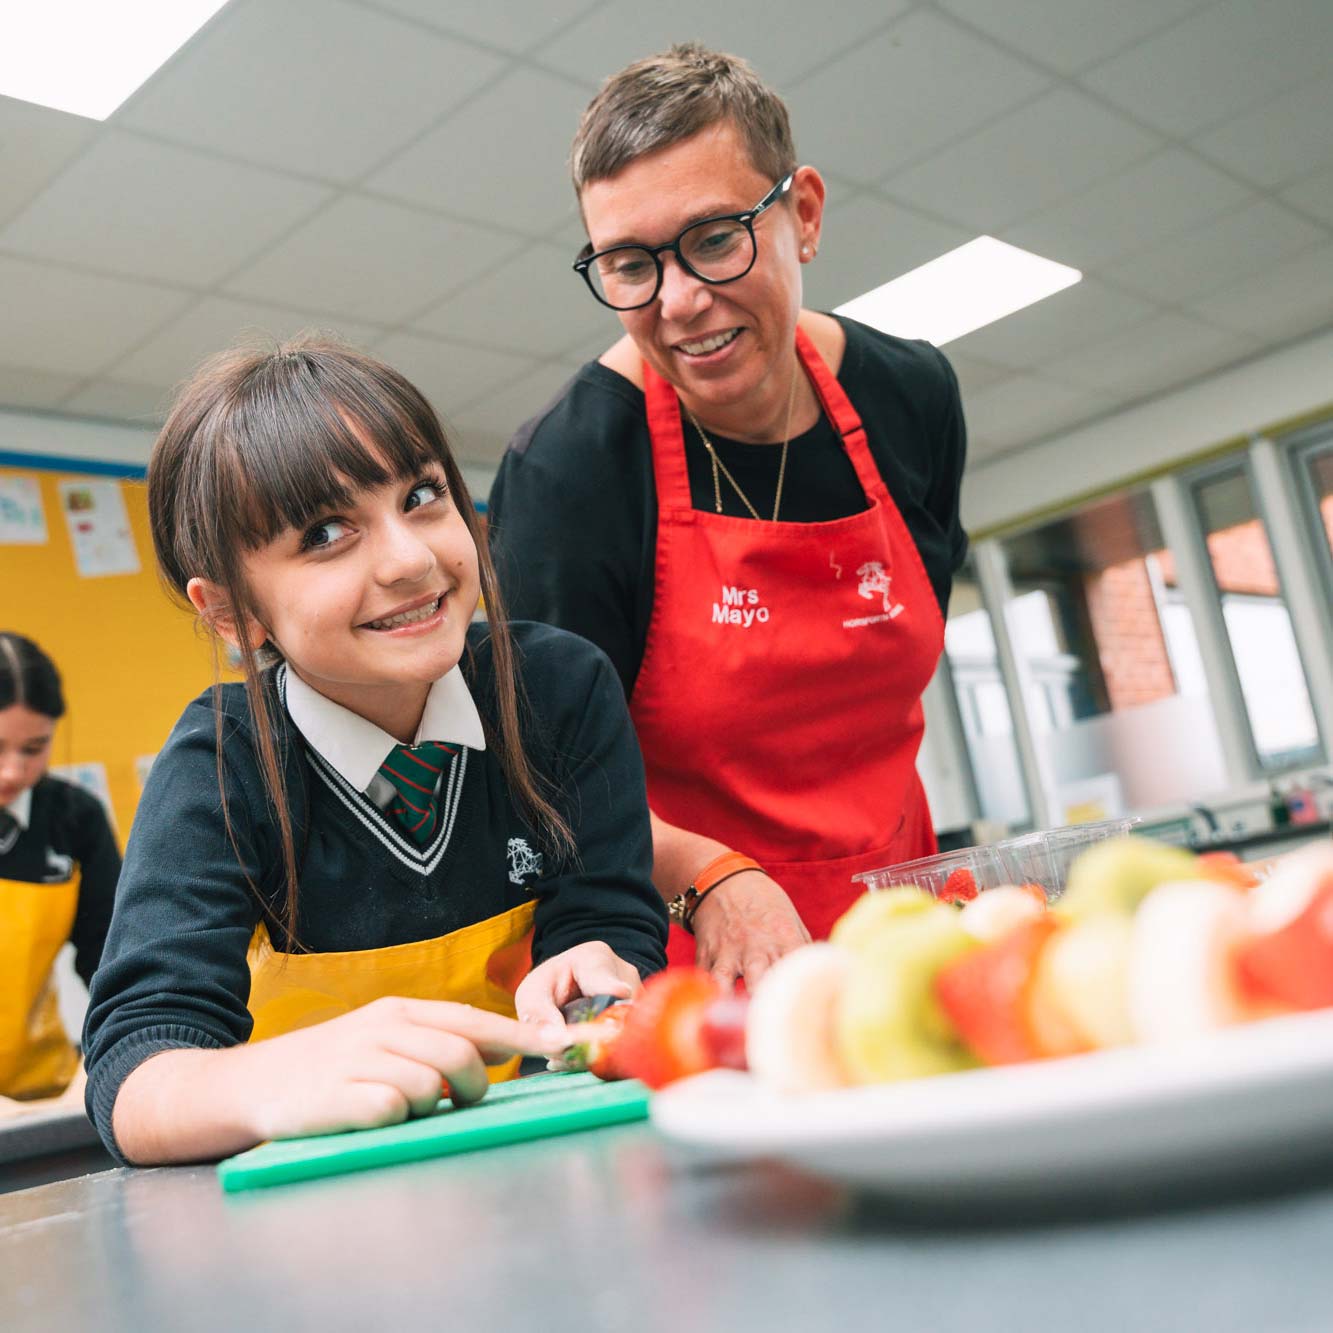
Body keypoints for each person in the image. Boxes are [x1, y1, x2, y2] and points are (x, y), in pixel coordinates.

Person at [82, 338, 667, 1165]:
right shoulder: (220, 764)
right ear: (232, 613)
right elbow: (133, 1071)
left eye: (422, 496)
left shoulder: (560, 688)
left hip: (547, 1154)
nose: (410, 558)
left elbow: (607, 917)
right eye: (326, 533)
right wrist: (274, 1079)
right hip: (322, 1198)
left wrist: (589, 974)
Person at [488, 44, 968, 987]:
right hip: (694, 964)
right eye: (630, 264)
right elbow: (545, 786)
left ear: (804, 214)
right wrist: (710, 876)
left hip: (900, 932)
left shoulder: (909, 397)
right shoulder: (569, 469)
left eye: (714, 239)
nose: (679, 302)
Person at [0, 632, 119, 1110]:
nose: (12, 772)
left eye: (33, 748)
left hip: (37, 1091)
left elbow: (111, 958)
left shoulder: (75, 818)